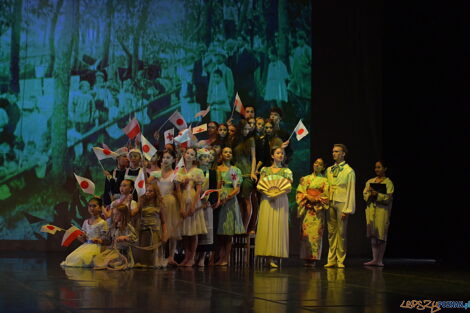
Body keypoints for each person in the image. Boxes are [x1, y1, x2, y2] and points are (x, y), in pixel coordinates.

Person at [255, 147, 292, 268]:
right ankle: (267, 256)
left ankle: (275, 257)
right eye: (278, 153)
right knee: (267, 225)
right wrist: (268, 193)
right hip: (267, 199)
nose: (280, 155)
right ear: (272, 156)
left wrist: (276, 194)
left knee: (278, 226)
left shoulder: (286, 171)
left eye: (282, 153)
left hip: (280, 200)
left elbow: (288, 187)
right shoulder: (265, 170)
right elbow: (260, 185)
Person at [149, 149, 183, 266]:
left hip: (171, 204)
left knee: (171, 230)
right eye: (164, 158)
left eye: (168, 158)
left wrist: (182, 207)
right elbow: (147, 185)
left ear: (174, 160)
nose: (165, 160)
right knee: (159, 229)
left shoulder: (175, 175)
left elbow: (178, 192)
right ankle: (159, 255)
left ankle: (171, 256)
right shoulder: (156, 174)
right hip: (159, 203)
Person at [324, 144, 355, 268]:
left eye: (337, 151)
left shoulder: (349, 171)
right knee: (331, 232)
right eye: (333, 151)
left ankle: (340, 259)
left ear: (343, 154)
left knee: (341, 232)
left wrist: (347, 209)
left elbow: (351, 191)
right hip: (330, 202)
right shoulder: (329, 169)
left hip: (342, 202)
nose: (334, 153)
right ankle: (331, 259)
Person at [176, 147, 208, 266]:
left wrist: (194, 205)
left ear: (195, 157)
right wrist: (181, 207)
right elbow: (178, 190)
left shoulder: (198, 171)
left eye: (192, 154)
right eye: (187, 153)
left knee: (193, 231)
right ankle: (186, 256)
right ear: (184, 154)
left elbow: (199, 190)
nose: (189, 155)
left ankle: (192, 257)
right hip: (183, 198)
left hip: (193, 198)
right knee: (185, 231)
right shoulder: (179, 170)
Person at [296, 158, 329, 267]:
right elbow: (300, 192)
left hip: (317, 210)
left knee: (316, 234)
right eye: (315, 163)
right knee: (306, 234)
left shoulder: (325, 181)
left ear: (323, 167)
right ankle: (306, 257)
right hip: (307, 208)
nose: (317, 165)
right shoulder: (305, 179)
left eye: (320, 164)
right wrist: (306, 196)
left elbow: (327, 195)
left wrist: (316, 199)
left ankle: (313, 258)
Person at [215, 147, 245, 266]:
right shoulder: (217, 169)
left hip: (230, 200)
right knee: (218, 230)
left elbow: (237, 188)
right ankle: (216, 257)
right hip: (218, 197)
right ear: (221, 155)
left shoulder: (235, 170)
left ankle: (225, 258)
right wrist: (219, 196)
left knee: (228, 232)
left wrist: (227, 197)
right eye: (225, 152)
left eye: (230, 152)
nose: (228, 154)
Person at [61, 197, 108, 267]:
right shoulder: (86, 222)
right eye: (90, 206)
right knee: (71, 258)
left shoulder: (102, 222)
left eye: (94, 206)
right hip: (86, 246)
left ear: (100, 208)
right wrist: (79, 235)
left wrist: (99, 240)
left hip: (97, 247)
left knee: (84, 259)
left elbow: (106, 238)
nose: (92, 208)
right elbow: (83, 239)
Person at [363, 160, 394, 267]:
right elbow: (365, 195)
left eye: (379, 167)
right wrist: (370, 193)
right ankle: (374, 259)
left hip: (382, 211)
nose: (377, 169)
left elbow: (388, 198)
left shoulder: (388, 183)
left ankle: (379, 259)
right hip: (371, 210)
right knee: (373, 235)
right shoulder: (370, 181)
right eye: (376, 167)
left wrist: (377, 195)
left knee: (381, 235)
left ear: (385, 169)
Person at [93, 204, 138, 270]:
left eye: (117, 214)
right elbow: (108, 240)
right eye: (113, 214)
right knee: (97, 259)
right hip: (113, 250)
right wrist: (100, 240)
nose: (114, 216)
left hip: (122, 252)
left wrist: (125, 238)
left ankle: (117, 263)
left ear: (123, 215)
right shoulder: (113, 227)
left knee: (110, 260)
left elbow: (134, 239)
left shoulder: (128, 227)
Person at [134, 182, 168, 268]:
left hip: (154, 231)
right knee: (143, 249)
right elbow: (131, 213)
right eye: (146, 191)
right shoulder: (142, 204)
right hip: (143, 230)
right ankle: (144, 263)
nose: (148, 193)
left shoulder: (159, 205)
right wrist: (130, 201)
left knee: (153, 250)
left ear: (155, 193)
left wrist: (164, 234)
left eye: (150, 191)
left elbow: (163, 222)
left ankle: (152, 263)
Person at [232, 119, 257, 230]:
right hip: (235, 173)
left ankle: (245, 228)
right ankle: (238, 227)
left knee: (247, 199)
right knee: (238, 201)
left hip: (247, 173)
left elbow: (253, 157)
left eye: (248, 128)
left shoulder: (251, 140)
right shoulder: (235, 140)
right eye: (244, 129)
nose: (247, 131)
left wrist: (252, 172)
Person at [195, 148, 218, 267]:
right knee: (196, 228)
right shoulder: (195, 171)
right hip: (196, 204)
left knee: (207, 230)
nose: (206, 159)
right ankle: (194, 254)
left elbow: (214, 189)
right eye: (203, 157)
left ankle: (203, 257)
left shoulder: (212, 172)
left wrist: (212, 201)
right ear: (198, 159)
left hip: (207, 203)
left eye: (207, 157)